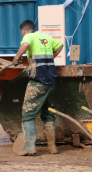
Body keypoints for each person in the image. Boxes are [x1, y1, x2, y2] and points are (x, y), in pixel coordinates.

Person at [11, 20, 64, 156]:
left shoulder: (28, 37)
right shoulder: (46, 37)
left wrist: (17, 58)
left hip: (38, 80)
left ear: (23, 30)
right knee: (48, 113)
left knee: (28, 113)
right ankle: (52, 147)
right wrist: (52, 57)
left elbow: (26, 44)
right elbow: (60, 45)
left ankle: (29, 146)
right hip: (51, 81)